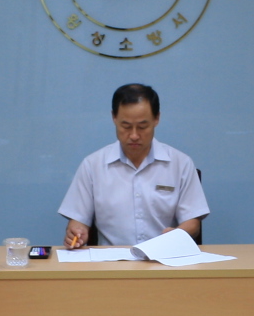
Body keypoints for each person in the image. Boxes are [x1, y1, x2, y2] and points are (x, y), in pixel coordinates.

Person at [58, 83, 209, 248]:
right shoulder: (92, 165)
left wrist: (178, 234)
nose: (134, 135)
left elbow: (192, 220)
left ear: (157, 119)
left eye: (142, 127)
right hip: (111, 260)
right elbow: (78, 220)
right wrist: (76, 232)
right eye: (126, 126)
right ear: (114, 118)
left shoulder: (180, 164)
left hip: (164, 256)